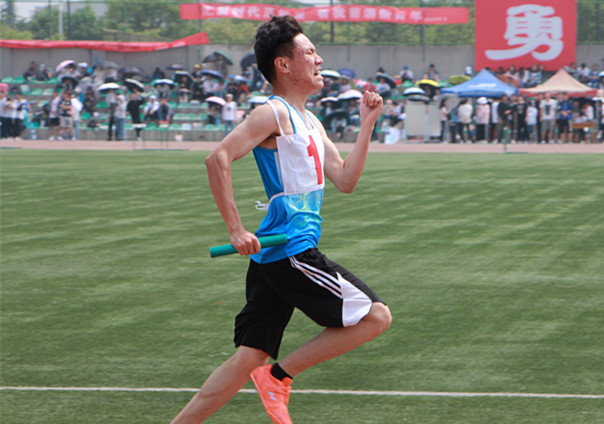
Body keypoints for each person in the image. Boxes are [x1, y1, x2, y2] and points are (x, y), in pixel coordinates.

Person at [170, 15, 390, 424]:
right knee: (375, 316)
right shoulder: (272, 113)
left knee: (249, 356)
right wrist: (236, 229)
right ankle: (278, 379)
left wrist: (367, 125)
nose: (319, 59)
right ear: (283, 65)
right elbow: (217, 158)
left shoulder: (310, 121)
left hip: (275, 255)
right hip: (291, 250)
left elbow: (345, 180)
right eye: (310, 52)